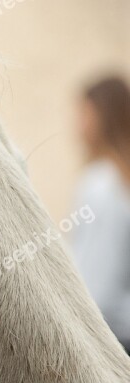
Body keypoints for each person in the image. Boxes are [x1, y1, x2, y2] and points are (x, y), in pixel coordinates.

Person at [70, 76, 130, 351]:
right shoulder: (119, 179)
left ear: (104, 117)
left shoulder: (102, 182)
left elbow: (95, 291)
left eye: (84, 114)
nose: (77, 127)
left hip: (110, 341)